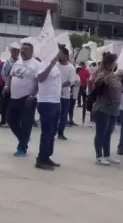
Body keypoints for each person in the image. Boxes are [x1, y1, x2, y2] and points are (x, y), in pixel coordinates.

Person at [7, 38, 42, 157]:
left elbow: (38, 83)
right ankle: (23, 139)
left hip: (27, 99)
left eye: (26, 49)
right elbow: (11, 75)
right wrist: (7, 86)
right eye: (22, 49)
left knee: (26, 123)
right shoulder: (18, 62)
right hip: (13, 97)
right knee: (10, 119)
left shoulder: (36, 65)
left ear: (32, 51)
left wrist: (33, 95)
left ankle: (22, 147)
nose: (22, 51)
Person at [88, 52, 123, 166]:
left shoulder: (116, 76)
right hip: (103, 108)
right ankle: (99, 156)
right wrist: (104, 82)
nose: (115, 64)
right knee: (101, 133)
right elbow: (96, 89)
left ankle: (107, 154)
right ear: (108, 64)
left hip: (114, 109)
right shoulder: (102, 75)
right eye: (113, 63)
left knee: (109, 133)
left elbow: (122, 90)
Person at [33, 43, 63, 171]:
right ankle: (41, 159)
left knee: (53, 131)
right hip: (46, 103)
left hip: (56, 102)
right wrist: (51, 63)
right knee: (47, 131)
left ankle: (47, 156)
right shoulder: (43, 64)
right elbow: (40, 78)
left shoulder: (56, 66)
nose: (60, 53)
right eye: (58, 51)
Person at [56, 46, 77, 140]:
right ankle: (53, 129)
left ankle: (60, 132)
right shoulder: (55, 65)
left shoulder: (71, 68)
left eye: (60, 54)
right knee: (55, 113)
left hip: (65, 95)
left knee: (63, 114)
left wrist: (61, 86)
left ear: (66, 56)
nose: (58, 55)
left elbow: (71, 80)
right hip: (54, 94)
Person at [0, 42, 19, 128]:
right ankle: (3, 121)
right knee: (5, 104)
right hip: (7, 87)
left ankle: (10, 121)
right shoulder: (8, 62)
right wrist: (7, 85)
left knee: (12, 105)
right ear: (11, 52)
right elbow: (4, 74)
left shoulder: (19, 62)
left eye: (17, 51)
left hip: (16, 88)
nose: (16, 53)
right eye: (14, 51)